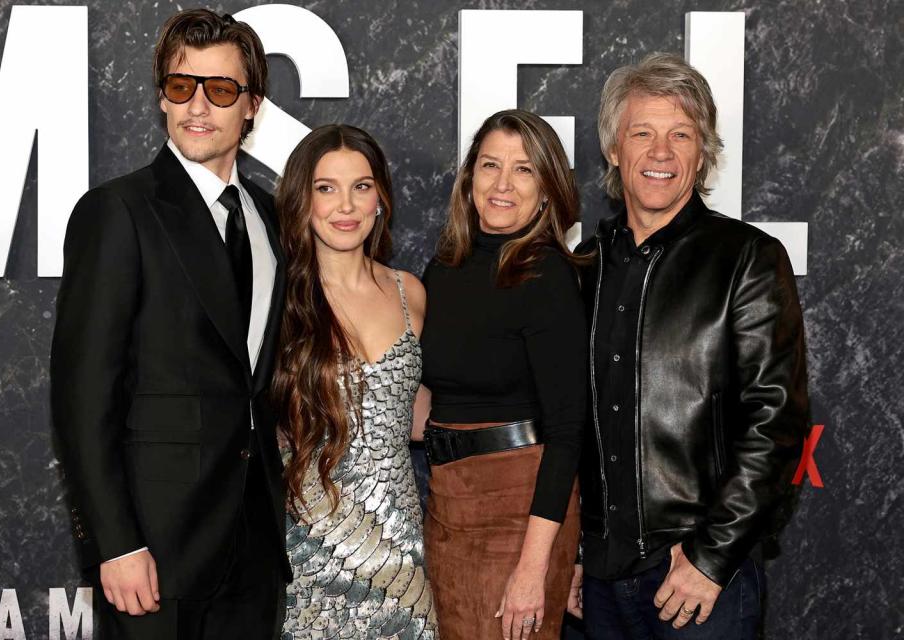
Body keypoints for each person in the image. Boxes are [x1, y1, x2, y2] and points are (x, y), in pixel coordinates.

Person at [50, 10, 290, 639]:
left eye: (220, 89)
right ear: (163, 96)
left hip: (253, 546)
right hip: (154, 551)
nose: (197, 107)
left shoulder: (269, 217)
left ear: (252, 106)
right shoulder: (118, 211)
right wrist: (117, 542)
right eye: (182, 87)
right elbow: (83, 397)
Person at [566, 53, 808, 639]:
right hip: (595, 588)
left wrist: (710, 557)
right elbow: (568, 425)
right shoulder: (582, 270)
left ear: (702, 155)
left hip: (698, 587)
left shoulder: (747, 258)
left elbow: (774, 424)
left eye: (681, 135)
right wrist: (572, 552)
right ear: (613, 150)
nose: (661, 152)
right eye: (642, 133)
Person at [421, 109, 588, 640]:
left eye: (523, 169)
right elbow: (431, 398)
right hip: (445, 501)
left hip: (520, 508)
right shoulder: (443, 270)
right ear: (469, 179)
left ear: (546, 190)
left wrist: (533, 568)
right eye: (491, 164)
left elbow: (567, 432)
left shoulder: (548, 274)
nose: (502, 183)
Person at [272, 124, 437, 639]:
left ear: (381, 198)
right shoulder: (276, 300)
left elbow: (416, 413)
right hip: (311, 557)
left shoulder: (411, 292)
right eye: (326, 188)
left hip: (404, 560)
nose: (346, 205)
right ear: (303, 199)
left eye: (361, 186)